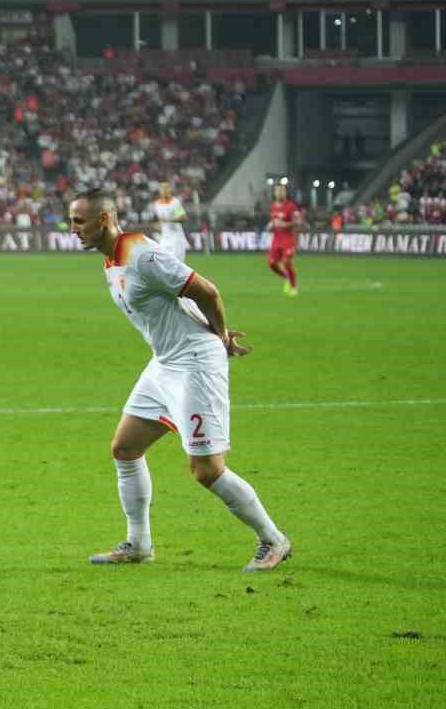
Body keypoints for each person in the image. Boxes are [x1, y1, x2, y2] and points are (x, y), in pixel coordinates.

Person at [69, 192, 293, 573]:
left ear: (104, 219)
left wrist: (221, 338)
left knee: (207, 470)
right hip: (165, 362)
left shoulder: (142, 255)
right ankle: (139, 545)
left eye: (79, 221)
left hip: (194, 362)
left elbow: (207, 291)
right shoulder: (111, 260)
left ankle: (273, 539)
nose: (73, 229)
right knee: (125, 448)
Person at [266, 184, 302, 296]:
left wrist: (286, 224)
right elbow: (274, 222)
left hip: (288, 239)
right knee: (271, 264)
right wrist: (270, 226)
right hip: (277, 240)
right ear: (275, 193)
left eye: (282, 191)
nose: (280, 193)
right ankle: (287, 277)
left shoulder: (291, 206)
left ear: (285, 193)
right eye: (278, 191)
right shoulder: (273, 206)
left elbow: (298, 222)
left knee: (286, 262)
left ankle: (294, 286)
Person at [151, 183, 188, 260]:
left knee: (177, 262)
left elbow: (183, 218)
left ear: (169, 190)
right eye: (163, 189)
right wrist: (158, 226)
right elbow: (160, 220)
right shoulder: (157, 204)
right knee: (163, 261)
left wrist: (169, 220)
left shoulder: (175, 202)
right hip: (165, 238)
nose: (165, 191)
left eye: (167, 188)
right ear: (160, 191)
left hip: (176, 237)